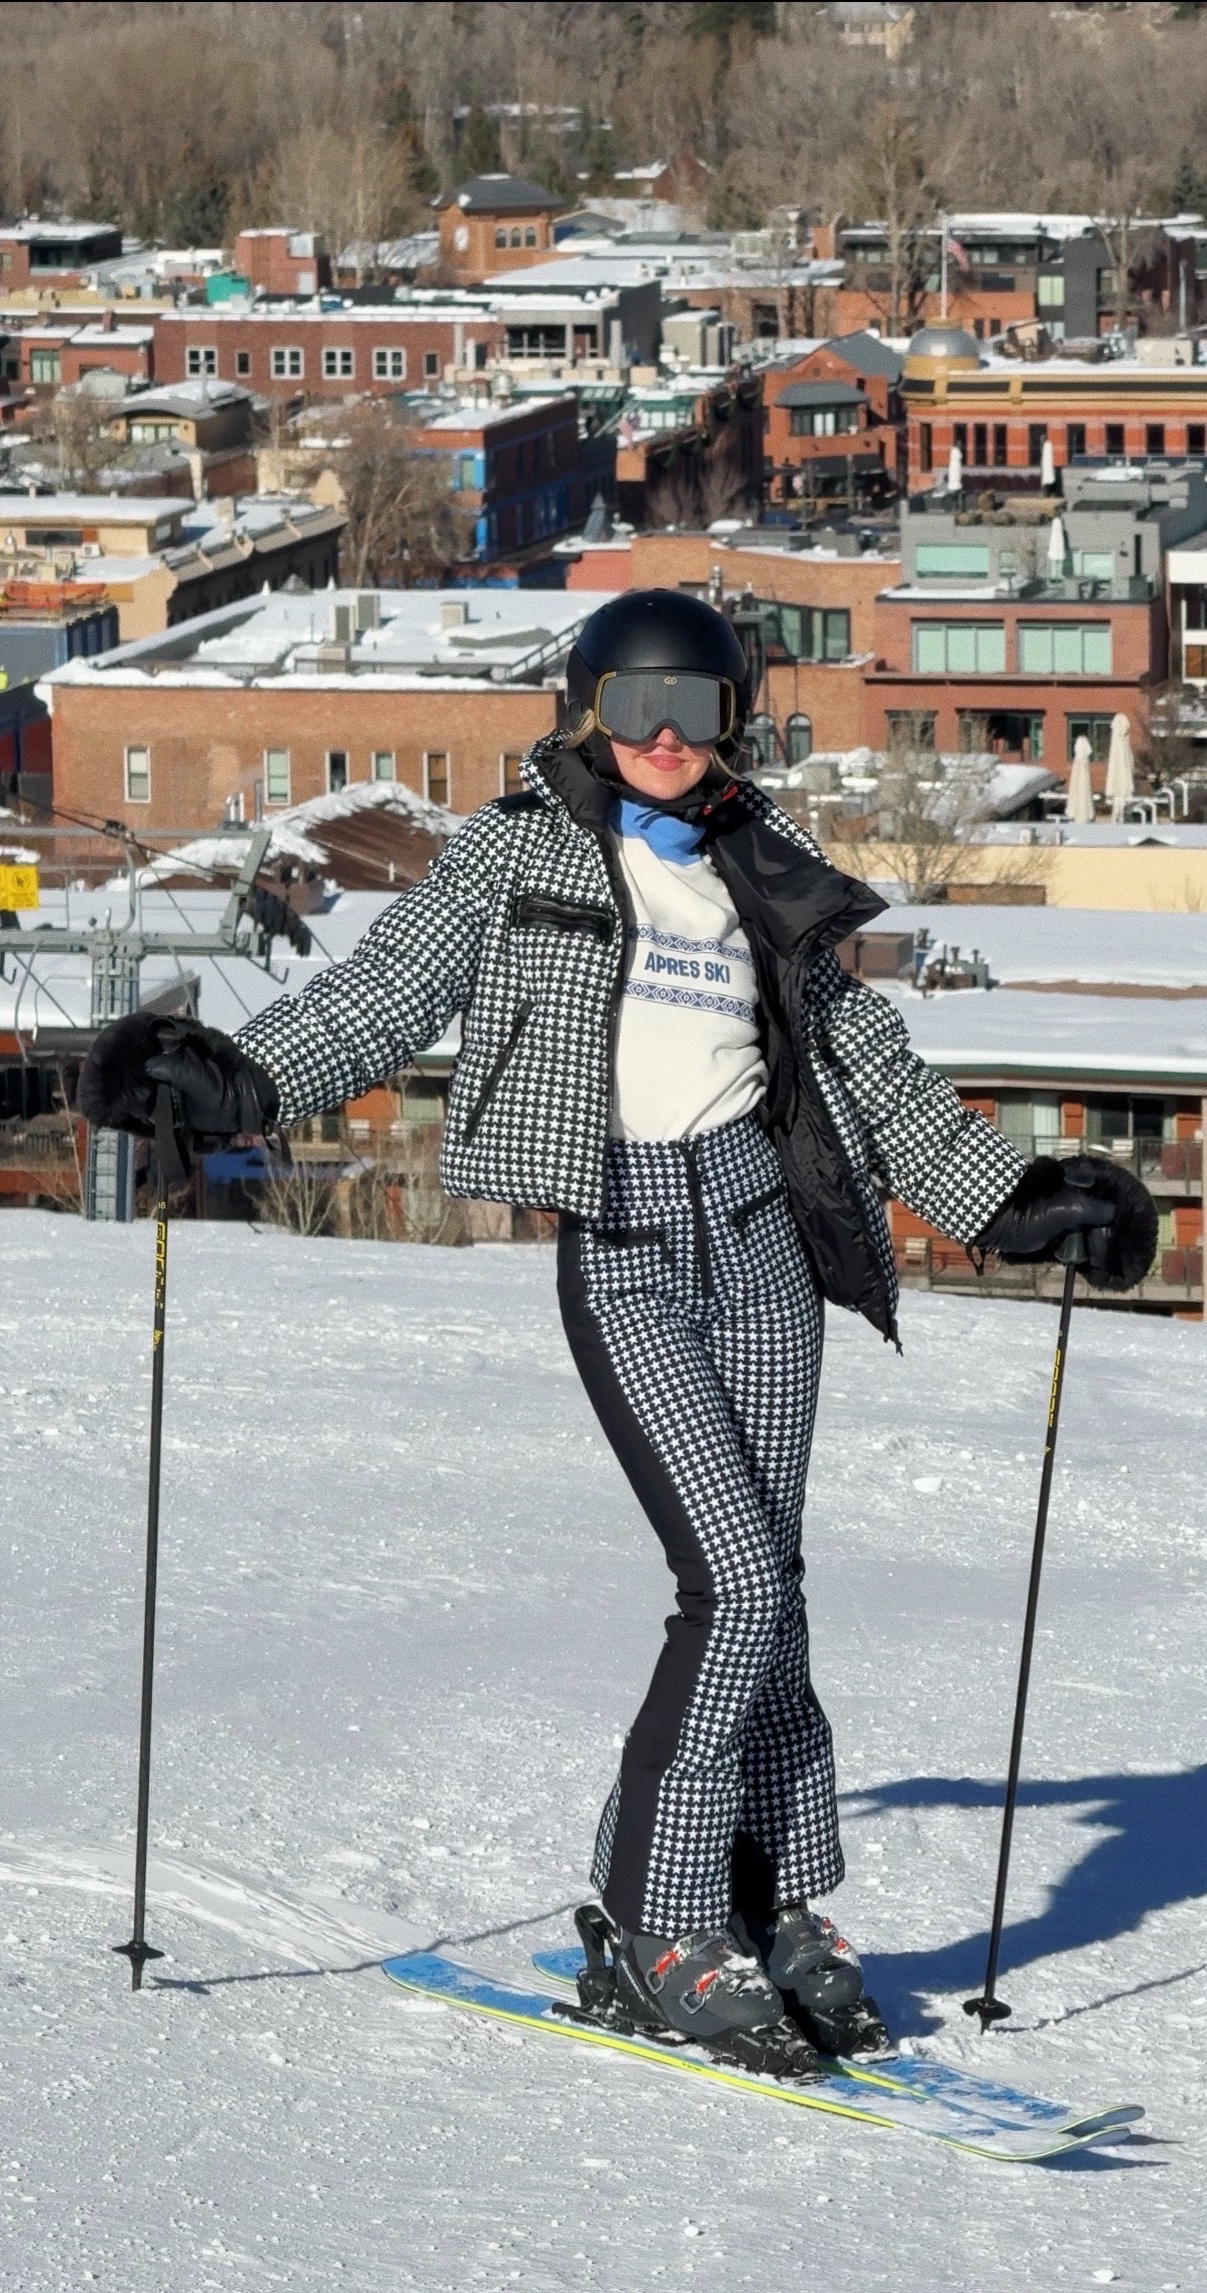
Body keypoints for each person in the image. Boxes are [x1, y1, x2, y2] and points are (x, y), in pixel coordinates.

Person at [79, 588, 1157, 2079]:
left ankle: (762, 1899)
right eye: (636, 704)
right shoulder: (512, 857)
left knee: (771, 1579)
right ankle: (658, 1918)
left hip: (763, 1240)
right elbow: (387, 995)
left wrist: (1020, 1198)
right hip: (629, 1236)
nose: (662, 736)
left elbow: (872, 1075)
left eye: (697, 708)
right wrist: (239, 1080)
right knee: (726, 1577)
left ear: (736, 722)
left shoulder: (765, 873)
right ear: (587, 707)